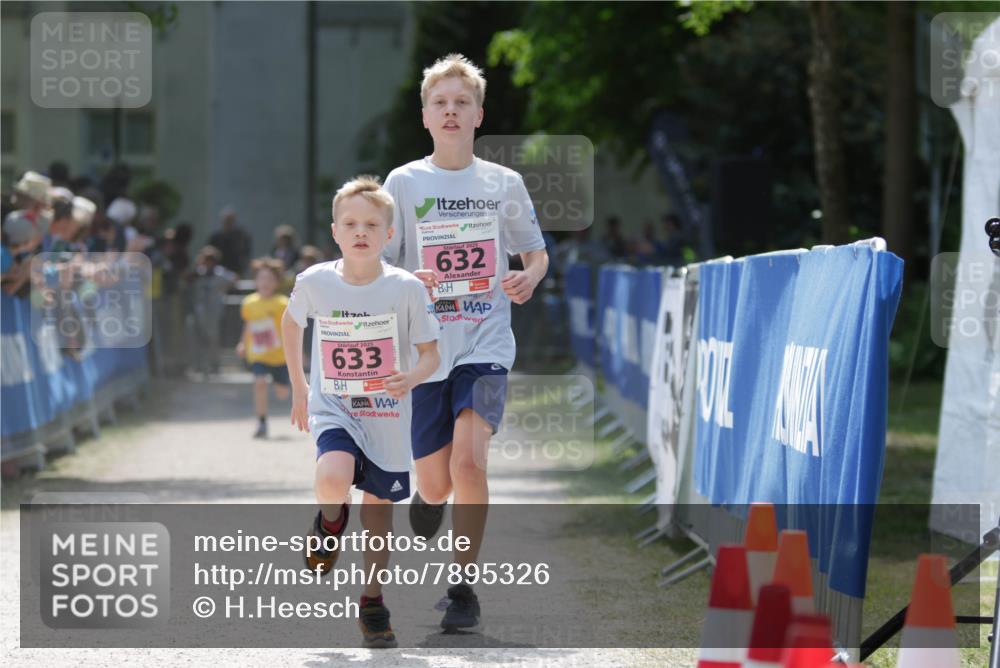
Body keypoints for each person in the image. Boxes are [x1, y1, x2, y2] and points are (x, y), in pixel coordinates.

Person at [382, 53, 549, 631]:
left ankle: (462, 588)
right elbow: (375, 263)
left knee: (470, 461)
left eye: (461, 103)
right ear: (425, 115)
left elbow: (535, 250)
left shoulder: (504, 183)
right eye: (440, 103)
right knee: (435, 479)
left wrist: (529, 275)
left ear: (479, 114)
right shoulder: (403, 183)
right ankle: (428, 501)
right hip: (425, 350)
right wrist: (409, 279)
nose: (451, 112)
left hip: (484, 343)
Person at [282, 175, 440, 648]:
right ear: (335, 232)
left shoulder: (406, 288)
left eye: (372, 223)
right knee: (332, 473)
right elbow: (291, 327)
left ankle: (372, 600)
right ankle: (330, 522)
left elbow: (430, 353)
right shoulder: (316, 281)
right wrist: (299, 386)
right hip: (335, 405)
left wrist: (411, 377)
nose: (360, 231)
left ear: (389, 235)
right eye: (350, 223)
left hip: (389, 414)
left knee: (378, 512)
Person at [237, 257, 291, 438]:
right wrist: (243, 343)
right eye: (261, 278)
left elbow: (291, 328)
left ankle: (280, 383)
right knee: (259, 383)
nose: (265, 283)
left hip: (279, 356)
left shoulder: (283, 303)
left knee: (283, 393)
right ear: (255, 281)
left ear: (276, 282)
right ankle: (261, 422)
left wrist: (297, 351)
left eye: (269, 279)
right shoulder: (249, 303)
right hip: (258, 353)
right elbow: (248, 325)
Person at [187, 245, 236, 377]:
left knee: (213, 338)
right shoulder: (199, 272)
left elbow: (233, 279)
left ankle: (214, 364)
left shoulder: (220, 273)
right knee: (199, 338)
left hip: (214, 311)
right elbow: (188, 278)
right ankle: (201, 365)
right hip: (200, 311)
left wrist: (222, 290)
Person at [209, 206, 252, 276]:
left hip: (236, 271)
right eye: (226, 220)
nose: (228, 222)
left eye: (230, 220)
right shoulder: (216, 237)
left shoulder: (241, 236)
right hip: (218, 272)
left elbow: (246, 252)